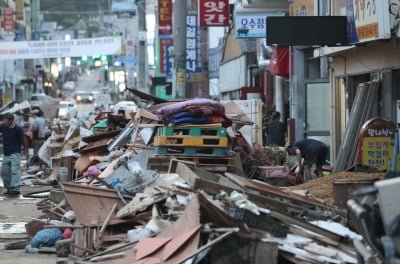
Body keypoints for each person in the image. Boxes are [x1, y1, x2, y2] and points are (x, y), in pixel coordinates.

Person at [0, 113, 29, 196]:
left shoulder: (18, 129)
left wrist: (26, 151)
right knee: (4, 172)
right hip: (6, 154)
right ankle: (9, 189)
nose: (4, 121)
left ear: (11, 120)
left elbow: (24, 140)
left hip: (15, 153)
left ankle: (16, 189)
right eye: (3, 120)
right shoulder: (2, 126)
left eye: (5, 120)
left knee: (14, 171)